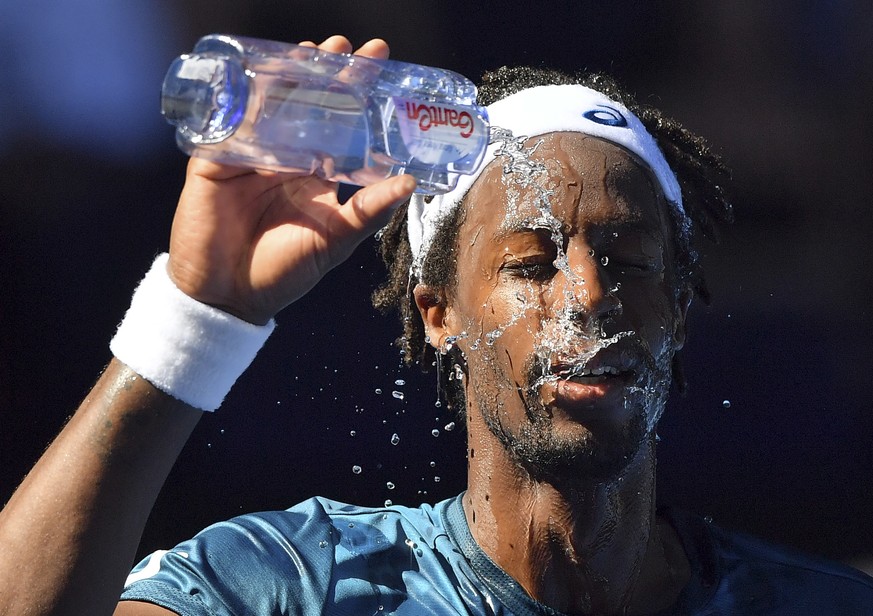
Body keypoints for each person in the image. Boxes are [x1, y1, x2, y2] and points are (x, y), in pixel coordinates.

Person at [0, 35, 870, 616]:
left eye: (632, 259)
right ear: (438, 310)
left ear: (679, 309)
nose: (588, 292)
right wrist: (195, 317)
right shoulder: (290, 585)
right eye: (530, 263)